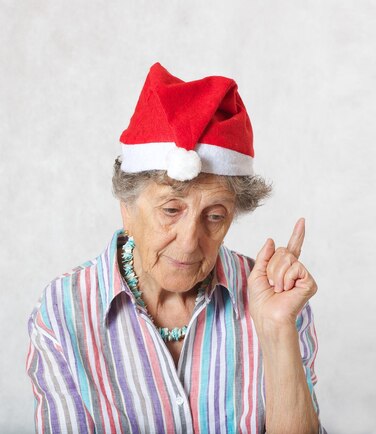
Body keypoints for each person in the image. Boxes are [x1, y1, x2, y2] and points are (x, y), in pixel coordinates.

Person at [26, 63, 325, 433]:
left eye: (214, 216)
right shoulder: (63, 310)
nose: (189, 242)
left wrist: (278, 330)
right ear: (127, 208)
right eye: (171, 210)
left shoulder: (277, 299)